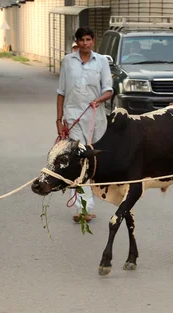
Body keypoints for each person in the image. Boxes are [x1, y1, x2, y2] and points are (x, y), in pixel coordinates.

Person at [56, 27, 113, 223]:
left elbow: (109, 90)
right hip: (73, 117)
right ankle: (84, 208)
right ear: (77, 42)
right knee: (79, 159)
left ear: (93, 41)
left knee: (95, 161)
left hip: (95, 117)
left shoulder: (102, 61)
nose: (85, 43)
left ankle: (95, 198)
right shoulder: (67, 62)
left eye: (88, 39)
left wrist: (98, 99)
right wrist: (59, 119)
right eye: (82, 40)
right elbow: (61, 92)